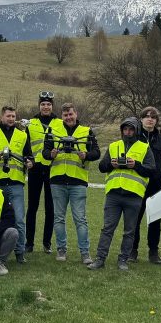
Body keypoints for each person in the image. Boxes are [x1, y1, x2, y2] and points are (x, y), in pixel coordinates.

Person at [89, 117, 156, 271]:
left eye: (131, 129)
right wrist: (110, 164)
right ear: (122, 131)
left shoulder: (144, 147)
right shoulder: (114, 146)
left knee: (129, 231)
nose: (128, 132)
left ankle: (123, 260)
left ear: (136, 131)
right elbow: (101, 167)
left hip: (134, 195)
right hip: (114, 194)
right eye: (125, 129)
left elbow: (152, 170)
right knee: (107, 228)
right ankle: (100, 259)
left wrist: (136, 165)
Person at [44, 101, 100, 264]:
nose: (68, 117)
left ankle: (85, 252)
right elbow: (45, 152)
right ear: (62, 116)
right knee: (59, 218)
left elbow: (97, 152)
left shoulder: (86, 131)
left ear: (76, 114)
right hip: (58, 180)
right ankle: (61, 249)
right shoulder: (53, 130)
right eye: (65, 115)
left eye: (71, 114)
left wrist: (86, 155)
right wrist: (51, 154)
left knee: (80, 218)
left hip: (78, 180)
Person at [0, 105, 34, 263]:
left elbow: (29, 156)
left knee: (19, 219)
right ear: (1, 117)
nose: (11, 119)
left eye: (13, 116)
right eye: (8, 116)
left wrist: (30, 162)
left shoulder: (22, 135)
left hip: (16, 183)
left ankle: (20, 252)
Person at [128, 106, 161, 264]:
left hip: (155, 186)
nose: (150, 119)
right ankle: (132, 250)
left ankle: (153, 252)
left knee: (155, 220)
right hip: (137, 184)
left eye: (153, 117)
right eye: (147, 116)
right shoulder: (134, 138)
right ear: (141, 119)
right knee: (134, 219)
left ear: (156, 121)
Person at [26, 90, 64, 253]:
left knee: (50, 208)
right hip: (35, 168)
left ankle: (47, 243)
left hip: (52, 168)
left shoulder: (60, 123)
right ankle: (29, 243)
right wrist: (28, 160)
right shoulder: (30, 123)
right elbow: (25, 145)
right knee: (32, 207)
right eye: (43, 104)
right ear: (39, 106)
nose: (46, 107)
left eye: (48, 104)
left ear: (52, 106)